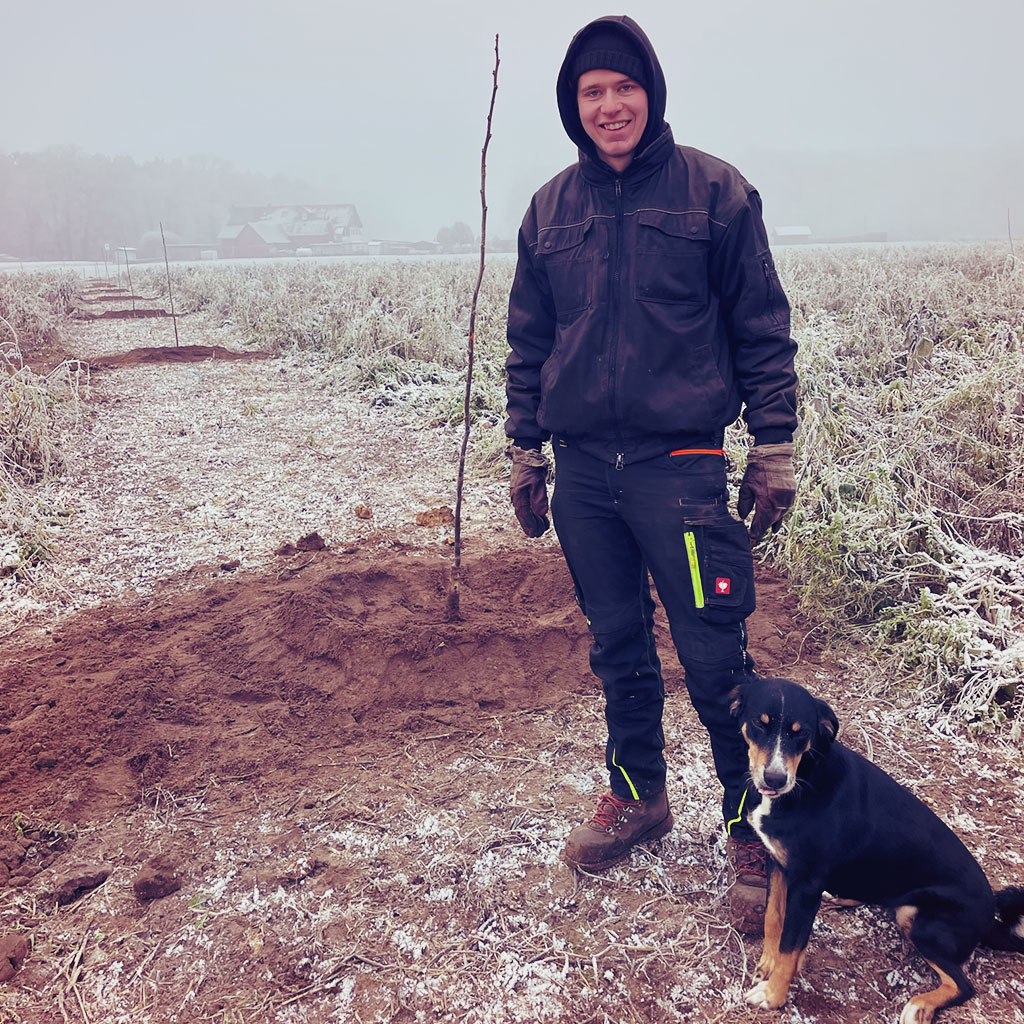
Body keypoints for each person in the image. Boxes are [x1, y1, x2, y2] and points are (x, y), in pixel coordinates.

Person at [504, 15, 798, 934]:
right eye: (590, 92)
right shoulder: (549, 211)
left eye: (622, 87)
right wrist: (525, 446)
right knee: (617, 646)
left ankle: (752, 826)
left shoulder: (716, 194)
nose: (609, 105)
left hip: (683, 466)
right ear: (573, 107)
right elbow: (529, 341)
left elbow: (761, 327)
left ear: (650, 92)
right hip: (587, 473)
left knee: (715, 656)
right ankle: (637, 795)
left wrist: (775, 447)